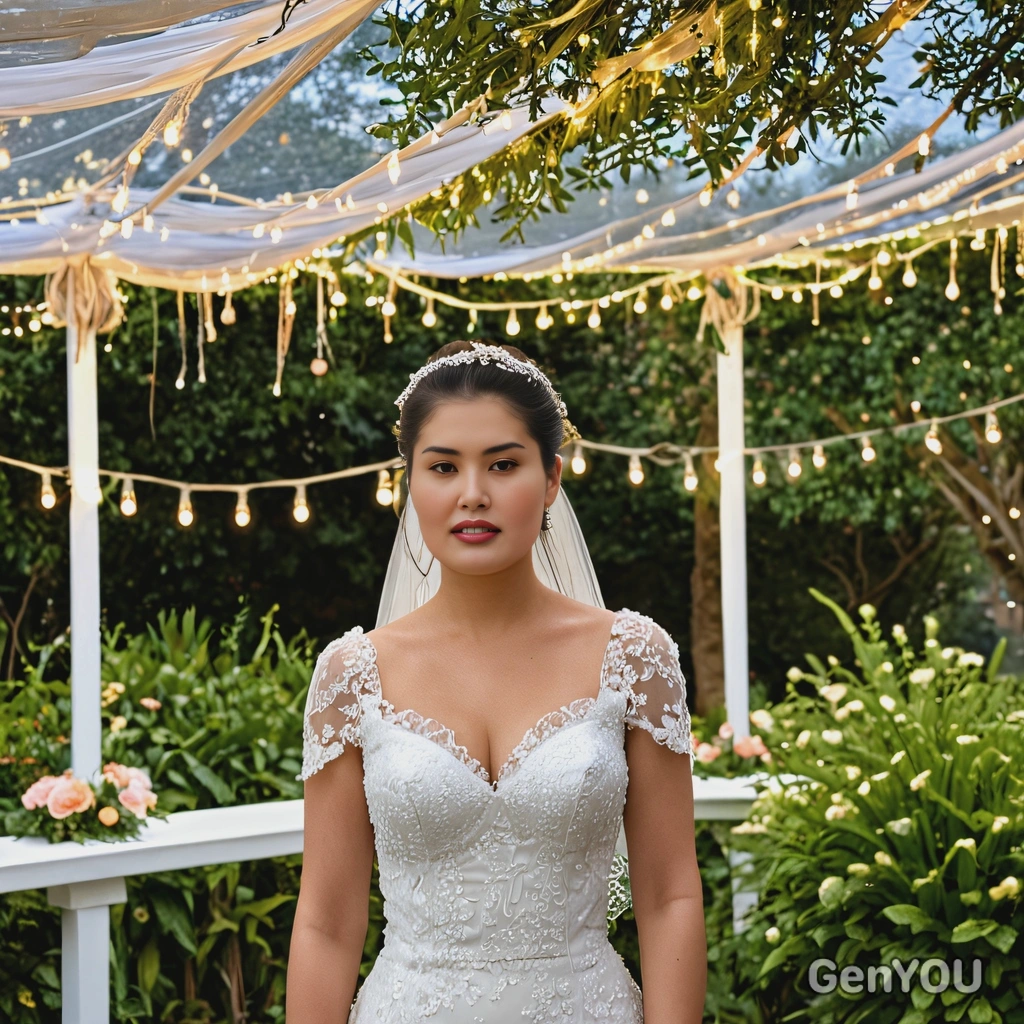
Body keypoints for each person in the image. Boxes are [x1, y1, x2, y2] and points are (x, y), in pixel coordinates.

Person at [287, 340, 705, 1024]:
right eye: (443, 466)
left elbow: (670, 899)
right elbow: (326, 924)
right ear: (411, 483)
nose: (473, 494)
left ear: (551, 479)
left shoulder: (634, 658)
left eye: (503, 464)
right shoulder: (352, 675)